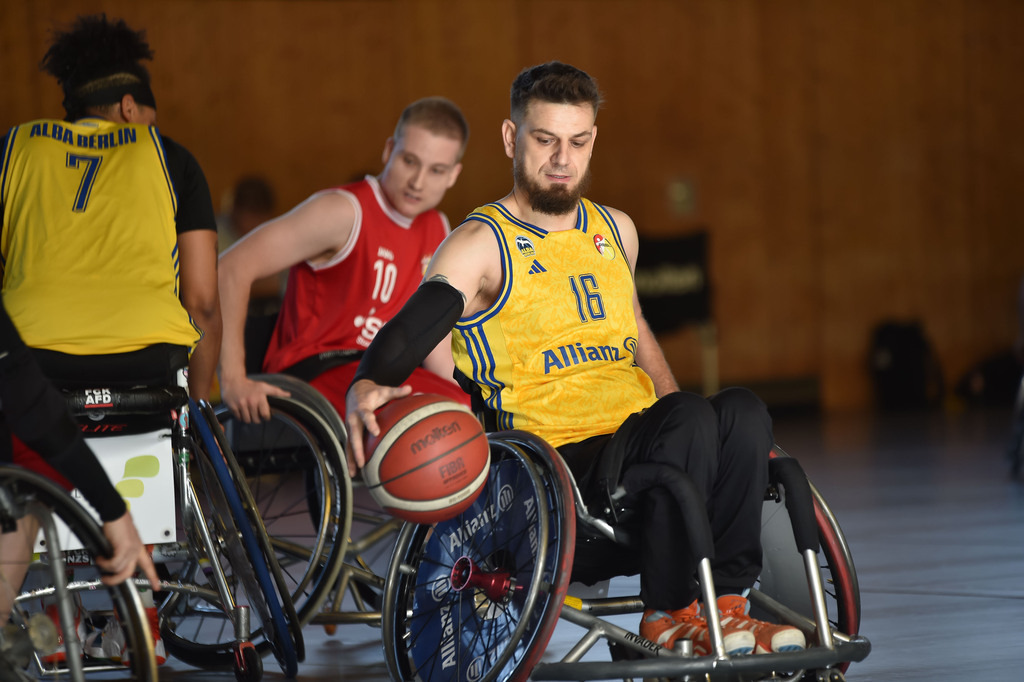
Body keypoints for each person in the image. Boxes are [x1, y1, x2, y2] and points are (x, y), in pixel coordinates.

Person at [345, 61, 806, 658]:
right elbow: (418, 321)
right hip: (555, 465)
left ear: (592, 143)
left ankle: (729, 603)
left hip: (641, 439)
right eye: (545, 140)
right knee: (691, 418)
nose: (562, 157)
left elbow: (635, 327)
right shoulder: (481, 242)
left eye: (578, 141)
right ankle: (665, 616)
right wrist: (368, 380)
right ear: (512, 139)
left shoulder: (617, 230)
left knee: (739, 411)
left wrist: (691, 429)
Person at [0, 14, 221, 664]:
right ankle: (140, 625)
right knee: (143, 448)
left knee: (25, 463)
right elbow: (202, 300)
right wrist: (196, 402)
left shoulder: (14, 147)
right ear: (129, 104)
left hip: (35, 366)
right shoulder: (169, 155)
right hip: (146, 365)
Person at [218, 97, 470, 424]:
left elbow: (436, 350)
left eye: (436, 170)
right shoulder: (342, 212)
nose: (418, 182)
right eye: (409, 161)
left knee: (470, 409)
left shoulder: (438, 228)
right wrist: (234, 379)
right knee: (418, 419)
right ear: (389, 150)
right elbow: (230, 268)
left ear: (453, 175)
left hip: (383, 372)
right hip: (316, 371)